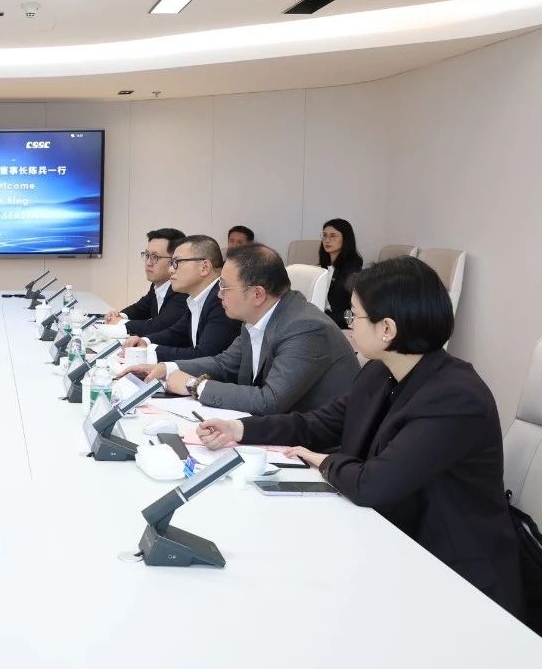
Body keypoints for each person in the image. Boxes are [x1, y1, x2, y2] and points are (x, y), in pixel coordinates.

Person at [197, 257, 523, 616]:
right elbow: (317, 424)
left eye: (355, 315)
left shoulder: (455, 395)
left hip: (452, 576)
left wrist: (325, 461)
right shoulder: (380, 373)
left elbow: (374, 484)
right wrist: (241, 429)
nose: (349, 324)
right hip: (387, 540)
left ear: (387, 329)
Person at [126, 244, 358, 414]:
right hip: (274, 430)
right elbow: (224, 364)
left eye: (225, 287)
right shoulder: (257, 317)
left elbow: (270, 401)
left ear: (258, 293)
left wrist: (195, 385)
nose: (219, 295)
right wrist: (166, 368)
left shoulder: (305, 328)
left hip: (312, 449)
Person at [123, 235, 240, 362]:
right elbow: (178, 332)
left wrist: (149, 351)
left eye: (177, 263)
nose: (170, 270)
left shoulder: (222, 299)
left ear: (204, 267)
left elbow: (204, 355)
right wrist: (145, 341)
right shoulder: (199, 297)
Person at [104, 228, 188, 336]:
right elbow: (140, 309)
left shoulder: (182, 291)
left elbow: (157, 327)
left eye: (155, 257)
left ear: (174, 261)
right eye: (147, 255)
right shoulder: (158, 285)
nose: (148, 262)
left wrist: (119, 322)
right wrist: (119, 315)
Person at [320, 217, 364, 329]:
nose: (327, 240)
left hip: (338, 325)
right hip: (320, 318)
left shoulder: (353, 271)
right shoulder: (323, 268)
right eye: (324, 235)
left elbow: (355, 312)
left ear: (345, 239)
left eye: (333, 236)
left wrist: (324, 319)